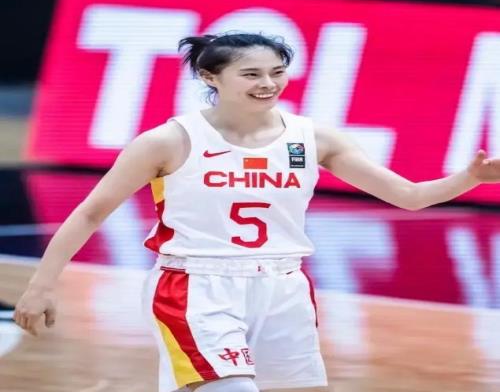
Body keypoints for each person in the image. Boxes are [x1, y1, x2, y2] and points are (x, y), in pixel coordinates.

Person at [14, 32, 500, 392]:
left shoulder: (314, 138)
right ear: (210, 77)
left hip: (284, 287)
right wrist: (40, 287)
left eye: (277, 71)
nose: (268, 83)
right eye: (251, 74)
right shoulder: (168, 141)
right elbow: (90, 213)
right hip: (196, 286)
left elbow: (409, 196)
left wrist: (470, 178)